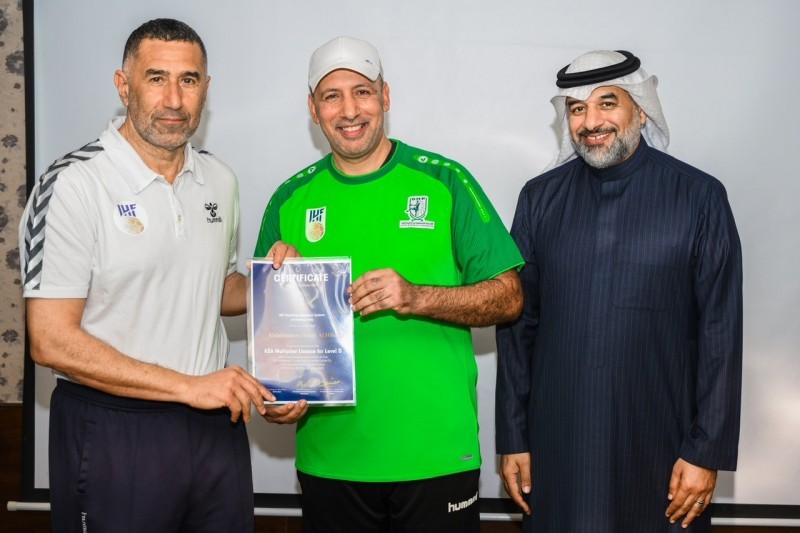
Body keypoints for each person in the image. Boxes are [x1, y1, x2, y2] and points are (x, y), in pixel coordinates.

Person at [18, 18, 293, 533]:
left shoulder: (219, 179)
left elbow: (215, 288)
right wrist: (188, 387)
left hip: (215, 426)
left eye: (188, 80)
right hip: (113, 428)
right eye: (156, 78)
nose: (173, 99)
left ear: (206, 89)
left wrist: (275, 281)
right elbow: (49, 340)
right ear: (124, 85)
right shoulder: (74, 183)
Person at [253, 36, 524, 532]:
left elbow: (509, 296)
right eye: (331, 96)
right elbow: (274, 339)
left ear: (385, 96)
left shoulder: (444, 181)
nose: (349, 110)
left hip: (435, 455)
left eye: (362, 91)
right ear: (313, 109)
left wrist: (416, 296)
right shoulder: (290, 199)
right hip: (331, 461)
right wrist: (278, 397)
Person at [495, 50, 743, 533]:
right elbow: (517, 328)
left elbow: (721, 333)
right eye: (577, 108)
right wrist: (514, 437)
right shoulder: (539, 199)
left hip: (663, 447)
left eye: (607, 103)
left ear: (641, 110)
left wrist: (705, 452)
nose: (591, 122)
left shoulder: (699, 197)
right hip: (558, 445)